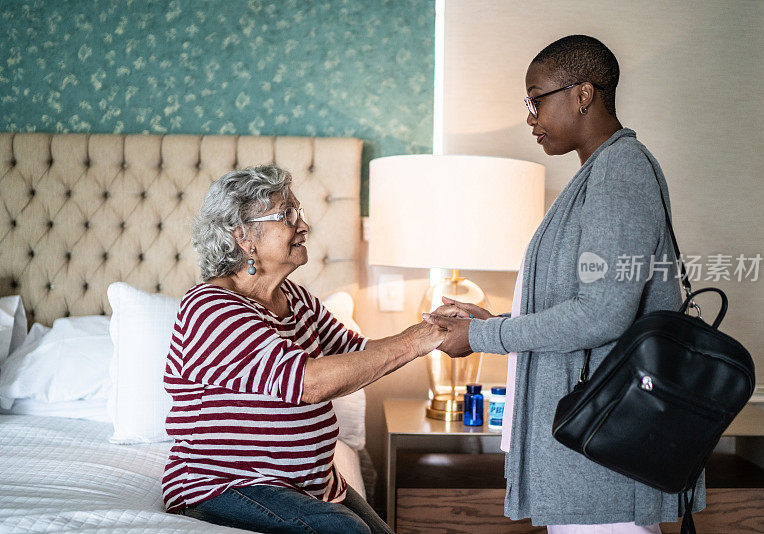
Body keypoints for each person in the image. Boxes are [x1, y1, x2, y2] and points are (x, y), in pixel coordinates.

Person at [423, 35, 705, 533]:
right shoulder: (597, 175)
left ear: (583, 94)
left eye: (536, 99)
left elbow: (603, 314)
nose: (530, 117)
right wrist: (497, 323)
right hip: (593, 448)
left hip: (610, 452)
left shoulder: (621, 172)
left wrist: (485, 338)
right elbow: (578, 303)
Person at [162, 164, 444, 534]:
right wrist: (419, 339)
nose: (304, 226)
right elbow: (309, 383)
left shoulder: (293, 298)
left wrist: (433, 328)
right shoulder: (210, 309)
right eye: (287, 215)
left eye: (300, 213)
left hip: (310, 486)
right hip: (224, 486)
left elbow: (358, 352)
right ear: (244, 236)